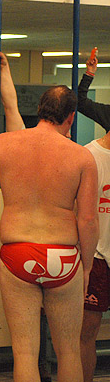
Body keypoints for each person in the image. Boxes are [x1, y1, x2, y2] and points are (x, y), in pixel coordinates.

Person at [0, 86, 99, 382]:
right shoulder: (82, 157)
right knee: (69, 352)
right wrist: (86, 267)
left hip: (17, 254)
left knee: (24, 353)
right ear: (71, 117)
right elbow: (87, 219)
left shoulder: (3, 144)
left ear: (40, 109)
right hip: (63, 255)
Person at [77, 49, 110, 382]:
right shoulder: (88, 156)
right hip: (97, 258)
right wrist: (88, 75)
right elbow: (80, 102)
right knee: (86, 333)